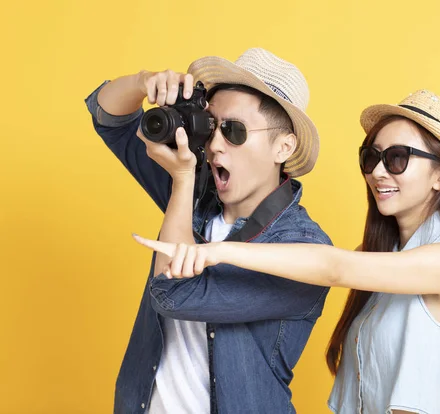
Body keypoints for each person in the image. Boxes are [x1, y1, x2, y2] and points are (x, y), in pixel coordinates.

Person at [134, 89, 440, 414]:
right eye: (371, 157)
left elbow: (333, 266)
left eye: (397, 158)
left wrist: (218, 252)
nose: (378, 171)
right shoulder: (378, 257)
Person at [84, 48, 332, 414]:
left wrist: (182, 179)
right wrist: (143, 82)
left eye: (234, 131)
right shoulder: (197, 195)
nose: (215, 145)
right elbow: (109, 118)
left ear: (283, 146)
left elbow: (174, 294)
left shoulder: (305, 249)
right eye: (212, 127)